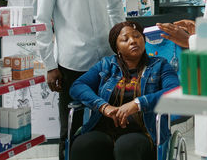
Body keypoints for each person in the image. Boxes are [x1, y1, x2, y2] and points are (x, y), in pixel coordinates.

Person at [36, 0, 125, 160]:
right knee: (72, 128)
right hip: (72, 64)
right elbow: (42, 20)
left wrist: (121, 46)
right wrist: (49, 65)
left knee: (111, 123)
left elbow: (115, 7)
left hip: (108, 60)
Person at [69, 21, 180, 160]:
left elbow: (175, 91)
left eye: (137, 36)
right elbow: (78, 86)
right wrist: (102, 106)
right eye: (125, 39)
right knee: (83, 145)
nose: (133, 41)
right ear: (117, 48)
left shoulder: (160, 65)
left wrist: (137, 104)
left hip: (143, 130)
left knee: (127, 146)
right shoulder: (106, 65)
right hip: (104, 128)